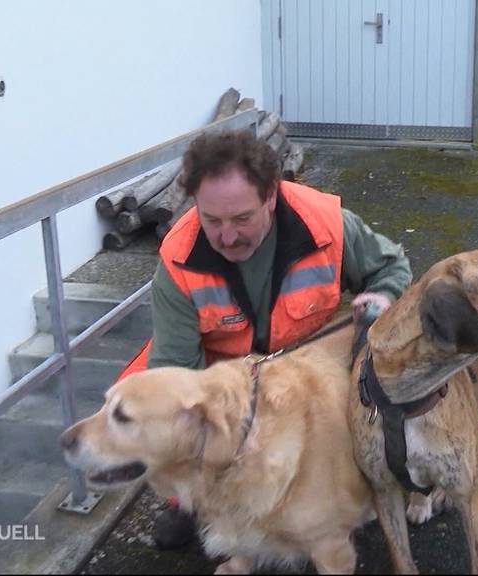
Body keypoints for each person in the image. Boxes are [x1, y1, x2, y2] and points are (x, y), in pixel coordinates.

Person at [119, 129, 412, 549]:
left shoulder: (325, 224)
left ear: (271, 197)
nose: (227, 236)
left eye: (242, 219)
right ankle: (198, 503)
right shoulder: (178, 260)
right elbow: (174, 376)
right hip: (218, 384)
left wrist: (380, 298)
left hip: (304, 374)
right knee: (143, 405)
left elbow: (392, 268)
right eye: (212, 220)